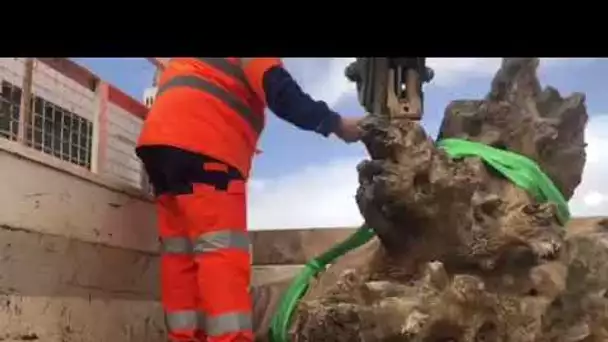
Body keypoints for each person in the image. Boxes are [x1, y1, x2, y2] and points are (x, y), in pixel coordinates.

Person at [136, 58, 364, 342]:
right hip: (205, 145)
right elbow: (280, 91)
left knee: (179, 253)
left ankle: (183, 337)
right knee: (220, 252)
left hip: (160, 145)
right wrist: (336, 124)